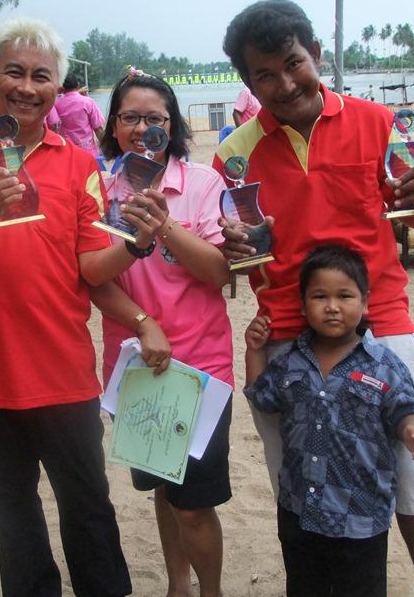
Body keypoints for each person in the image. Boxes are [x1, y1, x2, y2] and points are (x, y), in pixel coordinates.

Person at [0, 16, 162, 596]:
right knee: (15, 525)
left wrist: (138, 246)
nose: (26, 86)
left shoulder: (77, 163)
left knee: (91, 516)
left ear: (57, 90)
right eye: (13, 71)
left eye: (42, 76)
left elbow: (91, 265)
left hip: (65, 377)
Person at [216, 0, 414, 597]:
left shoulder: (379, 124)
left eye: (293, 62)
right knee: (299, 485)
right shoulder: (233, 155)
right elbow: (245, 259)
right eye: (263, 75)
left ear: (315, 54)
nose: (283, 82)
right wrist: (235, 246)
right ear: (247, 83)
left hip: (382, 328)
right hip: (287, 338)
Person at [93, 72, 232, 597]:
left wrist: (164, 225)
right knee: (162, 487)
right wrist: (143, 324)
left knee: (195, 504)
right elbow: (92, 279)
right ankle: (178, 586)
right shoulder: (100, 189)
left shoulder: (202, 184)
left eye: (156, 119)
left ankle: (210, 591)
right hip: (135, 366)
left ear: (172, 127)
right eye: (131, 117)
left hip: (200, 371)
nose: (143, 128)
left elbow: (220, 273)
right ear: (114, 125)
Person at [244, 244, 414, 597]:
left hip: (360, 517)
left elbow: (406, 405)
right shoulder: (291, 362)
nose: (332, 306)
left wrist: (413, 430)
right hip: (300, 512)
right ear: (302, 305)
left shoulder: (383, 365)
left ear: (364, 303)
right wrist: (254, 350)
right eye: (319, 296)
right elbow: (263, 398)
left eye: (345, 296)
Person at [52, 72, 106, 157]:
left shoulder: (56, 104)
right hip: (88, 153)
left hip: (67, 153)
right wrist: (107, 148)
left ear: (62, 87)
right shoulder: (88, 102)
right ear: (78, 85)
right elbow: (98, 129)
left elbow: (53, 126)